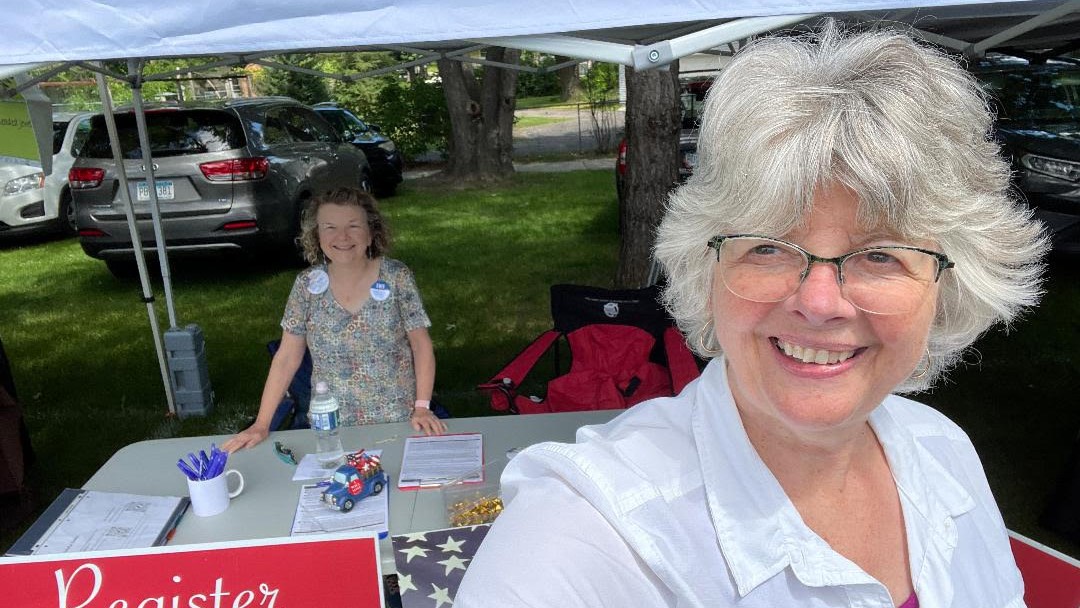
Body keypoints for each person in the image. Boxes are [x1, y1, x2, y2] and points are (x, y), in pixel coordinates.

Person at [457, 23, 1048, 607]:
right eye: (768, 247)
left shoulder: (943, 449)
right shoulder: (579, 540)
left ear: (949, 283)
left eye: (880, 255)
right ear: (706, 268)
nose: (819, 303)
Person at [224, 187, 445, 453]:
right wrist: (261, 424)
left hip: (400, 419)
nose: (342, 236)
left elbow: (421, 346)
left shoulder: (397, 277)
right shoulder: (306, 285)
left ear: (371, 232)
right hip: (331, 430)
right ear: (317, 236)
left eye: (353, 226)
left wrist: (422, 407)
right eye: (330, 227)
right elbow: (286, 358)